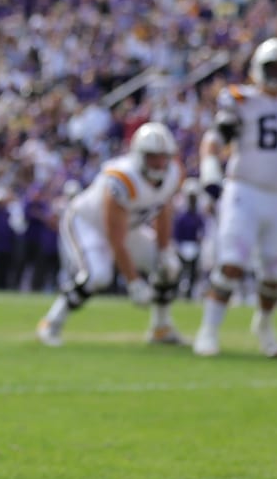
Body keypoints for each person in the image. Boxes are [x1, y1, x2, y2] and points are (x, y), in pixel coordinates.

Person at [193, 38, 277, 357]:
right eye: (270, 67)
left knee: (274, 273)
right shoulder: (240, 99)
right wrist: (209, 169)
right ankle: (208, 329)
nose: (275, 74)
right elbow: (216, 137)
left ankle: (265, 327)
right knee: (232, 262)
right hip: (244, 189)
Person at [36, 122, 184, 347]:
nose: (159, 163)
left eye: (163, 156)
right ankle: (52, 322)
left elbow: (163, 212)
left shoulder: (173, 173)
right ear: (138, 155)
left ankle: (161, 328)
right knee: (97, 276)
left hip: (129, 227)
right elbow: (116, 238)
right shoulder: (122, 179)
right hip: (88, 223)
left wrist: (163, 250)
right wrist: (134, 282)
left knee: (169, 265)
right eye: (153, 156)